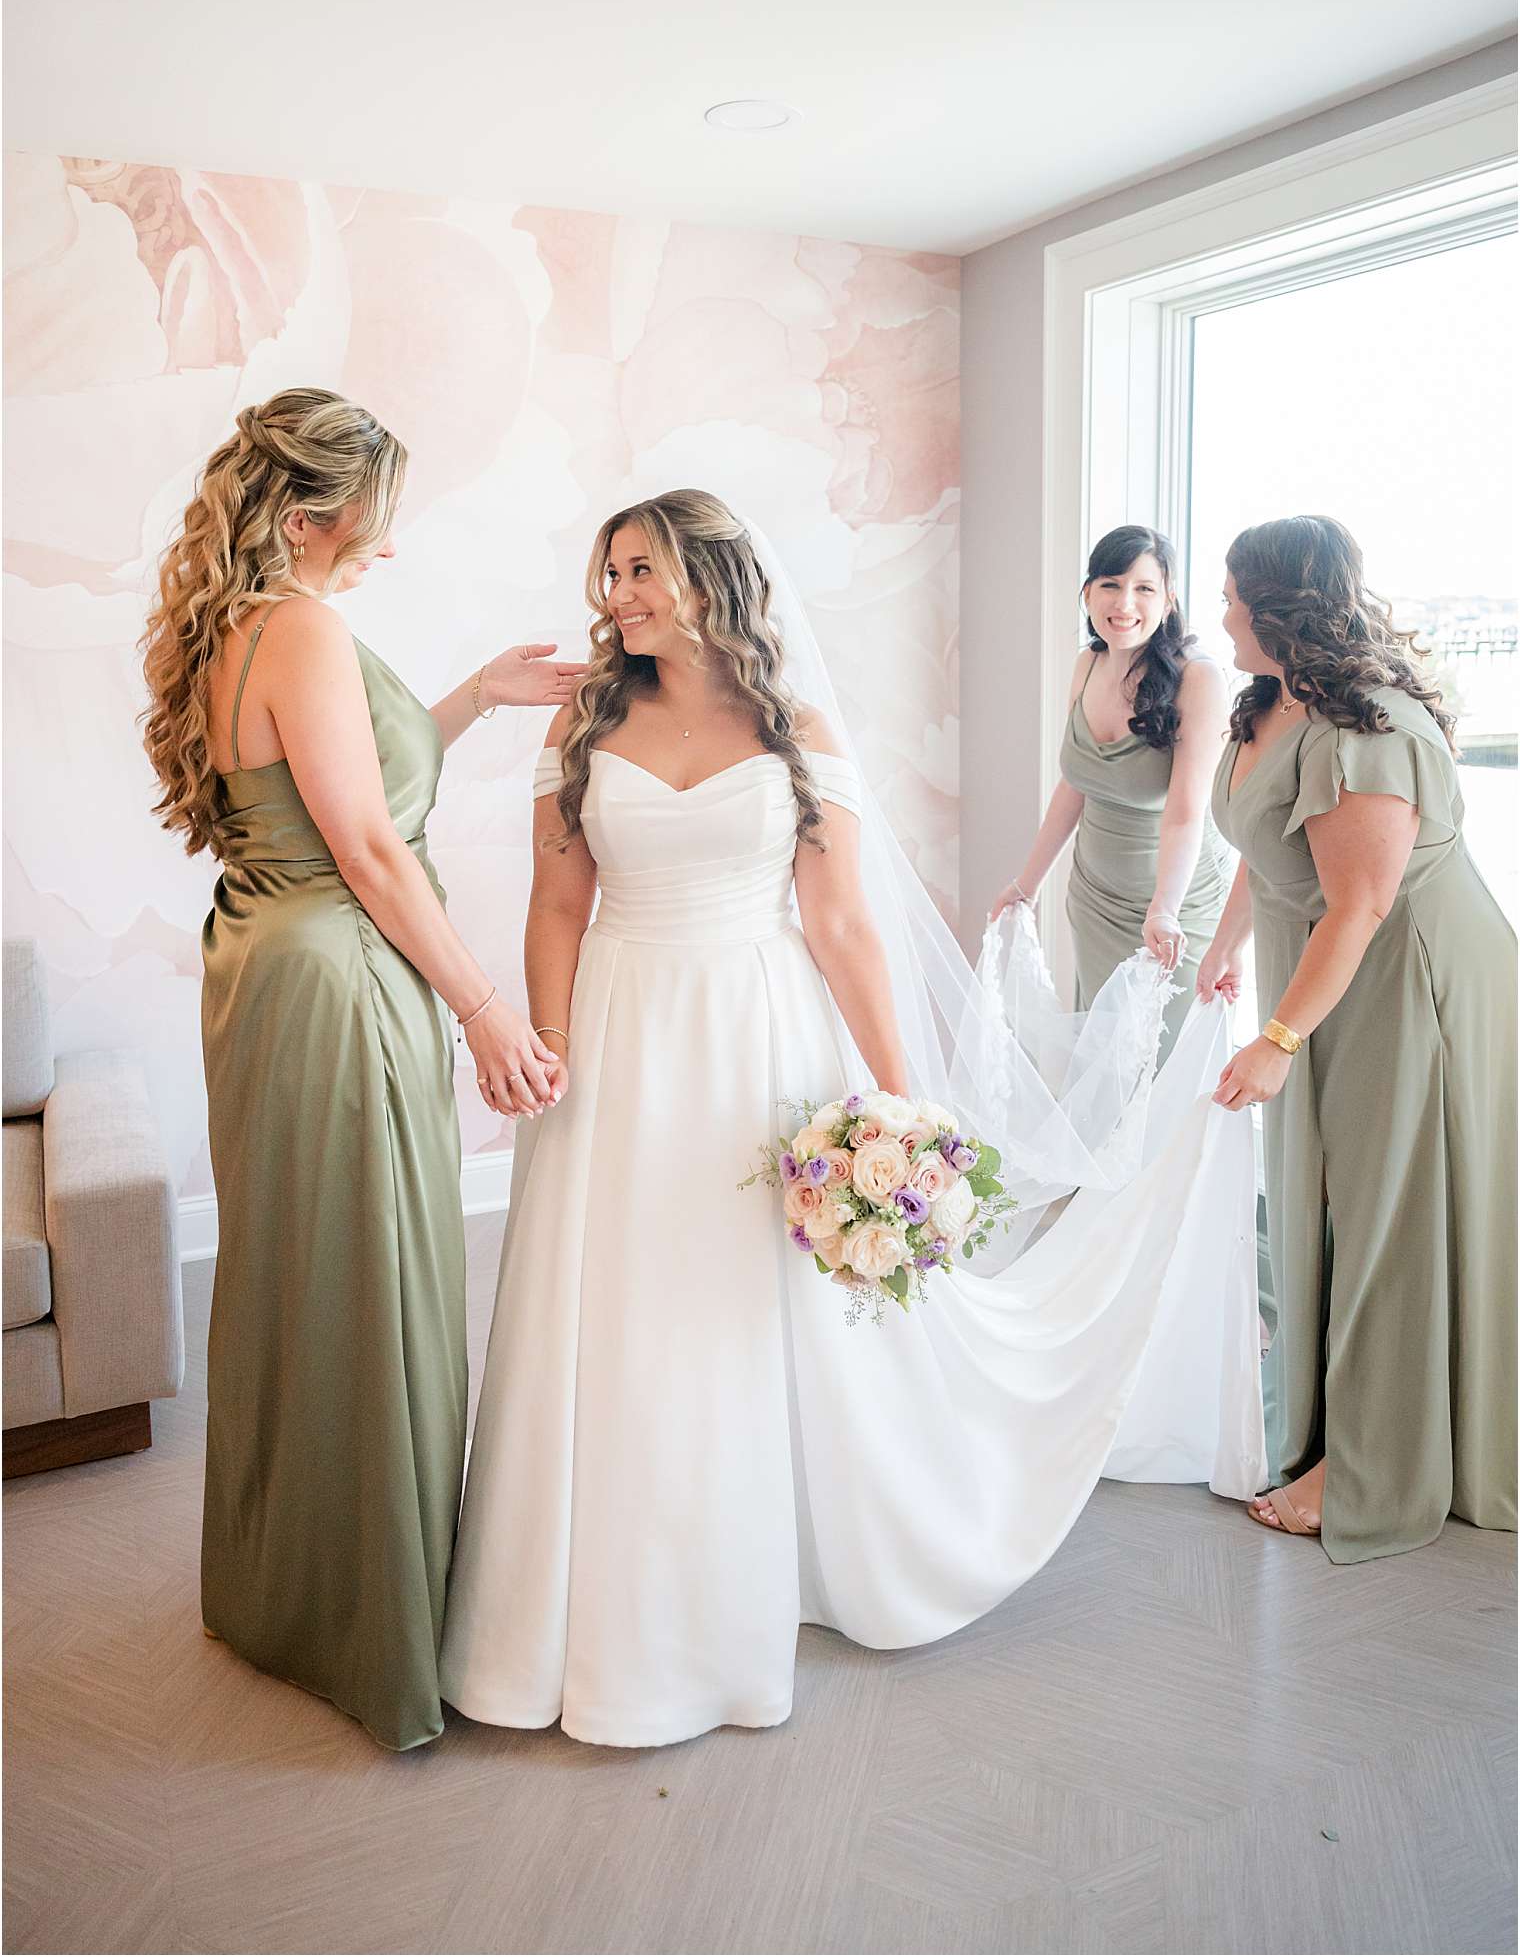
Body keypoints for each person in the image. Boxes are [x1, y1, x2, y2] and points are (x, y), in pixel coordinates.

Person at [439, 490, 1255, 1748]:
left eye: (641, 569)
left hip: (762, 1036)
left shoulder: (795, 724)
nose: (618, 596)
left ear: (710, 574)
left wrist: (897, 1094)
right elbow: (555, 904)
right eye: (607, 574)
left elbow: (844, 926)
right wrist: (541, 1050)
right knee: (611, 1304)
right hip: (616, 1029)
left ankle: (745, 1582)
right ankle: (584, 1608)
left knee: (736, 1307)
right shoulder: (583, 716)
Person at [140, 386, 582, 1749]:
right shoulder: (305, 627)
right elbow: (375, 850)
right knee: (370, 1278)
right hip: (339, 980)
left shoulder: (222, 628)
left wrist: (473, 698)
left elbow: (330, 794)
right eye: (378, 524)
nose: (386, 547)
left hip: (262, 962)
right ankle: (375, 1626)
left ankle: (290, 1594)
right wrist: (489, 1011)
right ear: (320, 515)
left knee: (297, 1281)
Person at [1198, 514, 1516, 1558]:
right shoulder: (1265, 704)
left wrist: (1277, 1038)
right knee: (1326, 1198)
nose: (1221, 610)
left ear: (1277, 603)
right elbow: (1265, 840)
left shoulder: (1364, 725)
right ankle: (1325, 1417)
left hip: (1405, 977)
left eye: (1233, 593)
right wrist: (1226, 943)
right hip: (1324, 970)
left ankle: (1370, 1461)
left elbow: (1360, 905)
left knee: (1386, 1208)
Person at [993, 526, 1229, 1061]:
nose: (1125, 604)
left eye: (1145, 589)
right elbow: (1077, 784)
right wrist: (1025, 884)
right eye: (1111, 584)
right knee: (1103, 1066)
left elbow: (1188, 811)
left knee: (1164, 1069)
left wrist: (1163, 911)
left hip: (1174, 908)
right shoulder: (1088, 664)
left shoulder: (1199, 679)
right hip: (1095, 899)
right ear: (1088, 593)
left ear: (1169, 600)